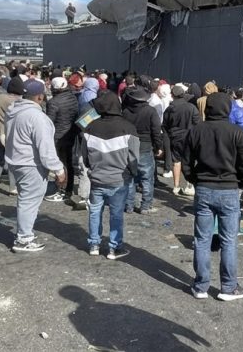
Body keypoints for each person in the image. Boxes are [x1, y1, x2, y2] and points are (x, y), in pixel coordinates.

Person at [183, 92, 243, 301]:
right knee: (229, 240)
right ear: (228, 109)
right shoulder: (236, 132)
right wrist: (240, 182)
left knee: (202, 239)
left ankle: (201, 285)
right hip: (229, 188)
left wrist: (195, 180)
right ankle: (229, 287)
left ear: (207, 108)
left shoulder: (196, 130)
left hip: (204, 187)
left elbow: (186, 162)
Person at [5, 79, 67, 253]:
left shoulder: (13, 111)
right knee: (29, 202)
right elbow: (45, 147)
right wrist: (58, 169)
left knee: (25, 199)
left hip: (16, 160)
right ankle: (24, 238)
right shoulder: (37, 117)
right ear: (40, 96)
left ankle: (24, 235)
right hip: (30, 163)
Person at [80, 92, 139, 259]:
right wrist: (132, 173)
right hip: (119, 179)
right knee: (116, 213)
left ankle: (94, 244)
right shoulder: (128, 128)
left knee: (94, 211)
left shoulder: (90, 127)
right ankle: (114, 247)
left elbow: (85, 156)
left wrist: (92, 168)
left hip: (97, 178)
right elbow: (134, 157)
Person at [121, 86, 165, 214]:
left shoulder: (125, 112)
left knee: (130, 178)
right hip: (145, 146)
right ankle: (145, 206)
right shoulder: (150, 111)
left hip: (130, 146)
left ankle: (129, 205)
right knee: (147, 179)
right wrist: (158, 146)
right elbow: (156, 131)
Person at [45, 76, 80, 202]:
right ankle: (68, 188)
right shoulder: (73, 98)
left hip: (58, 136)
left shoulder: (53, 102)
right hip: (71, 133)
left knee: (60, 163)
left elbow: (48, 122)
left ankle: (61, 189)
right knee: (68, 162)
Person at [162, 83, 199, 196]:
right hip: (189, 137)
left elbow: (165, 126)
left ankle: (176, 186)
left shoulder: (169, 109)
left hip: (175, 138)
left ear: (172, 95)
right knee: (189, 162)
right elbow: (197, 123)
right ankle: (189, 185)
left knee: (176, 162)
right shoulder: (191, 107)